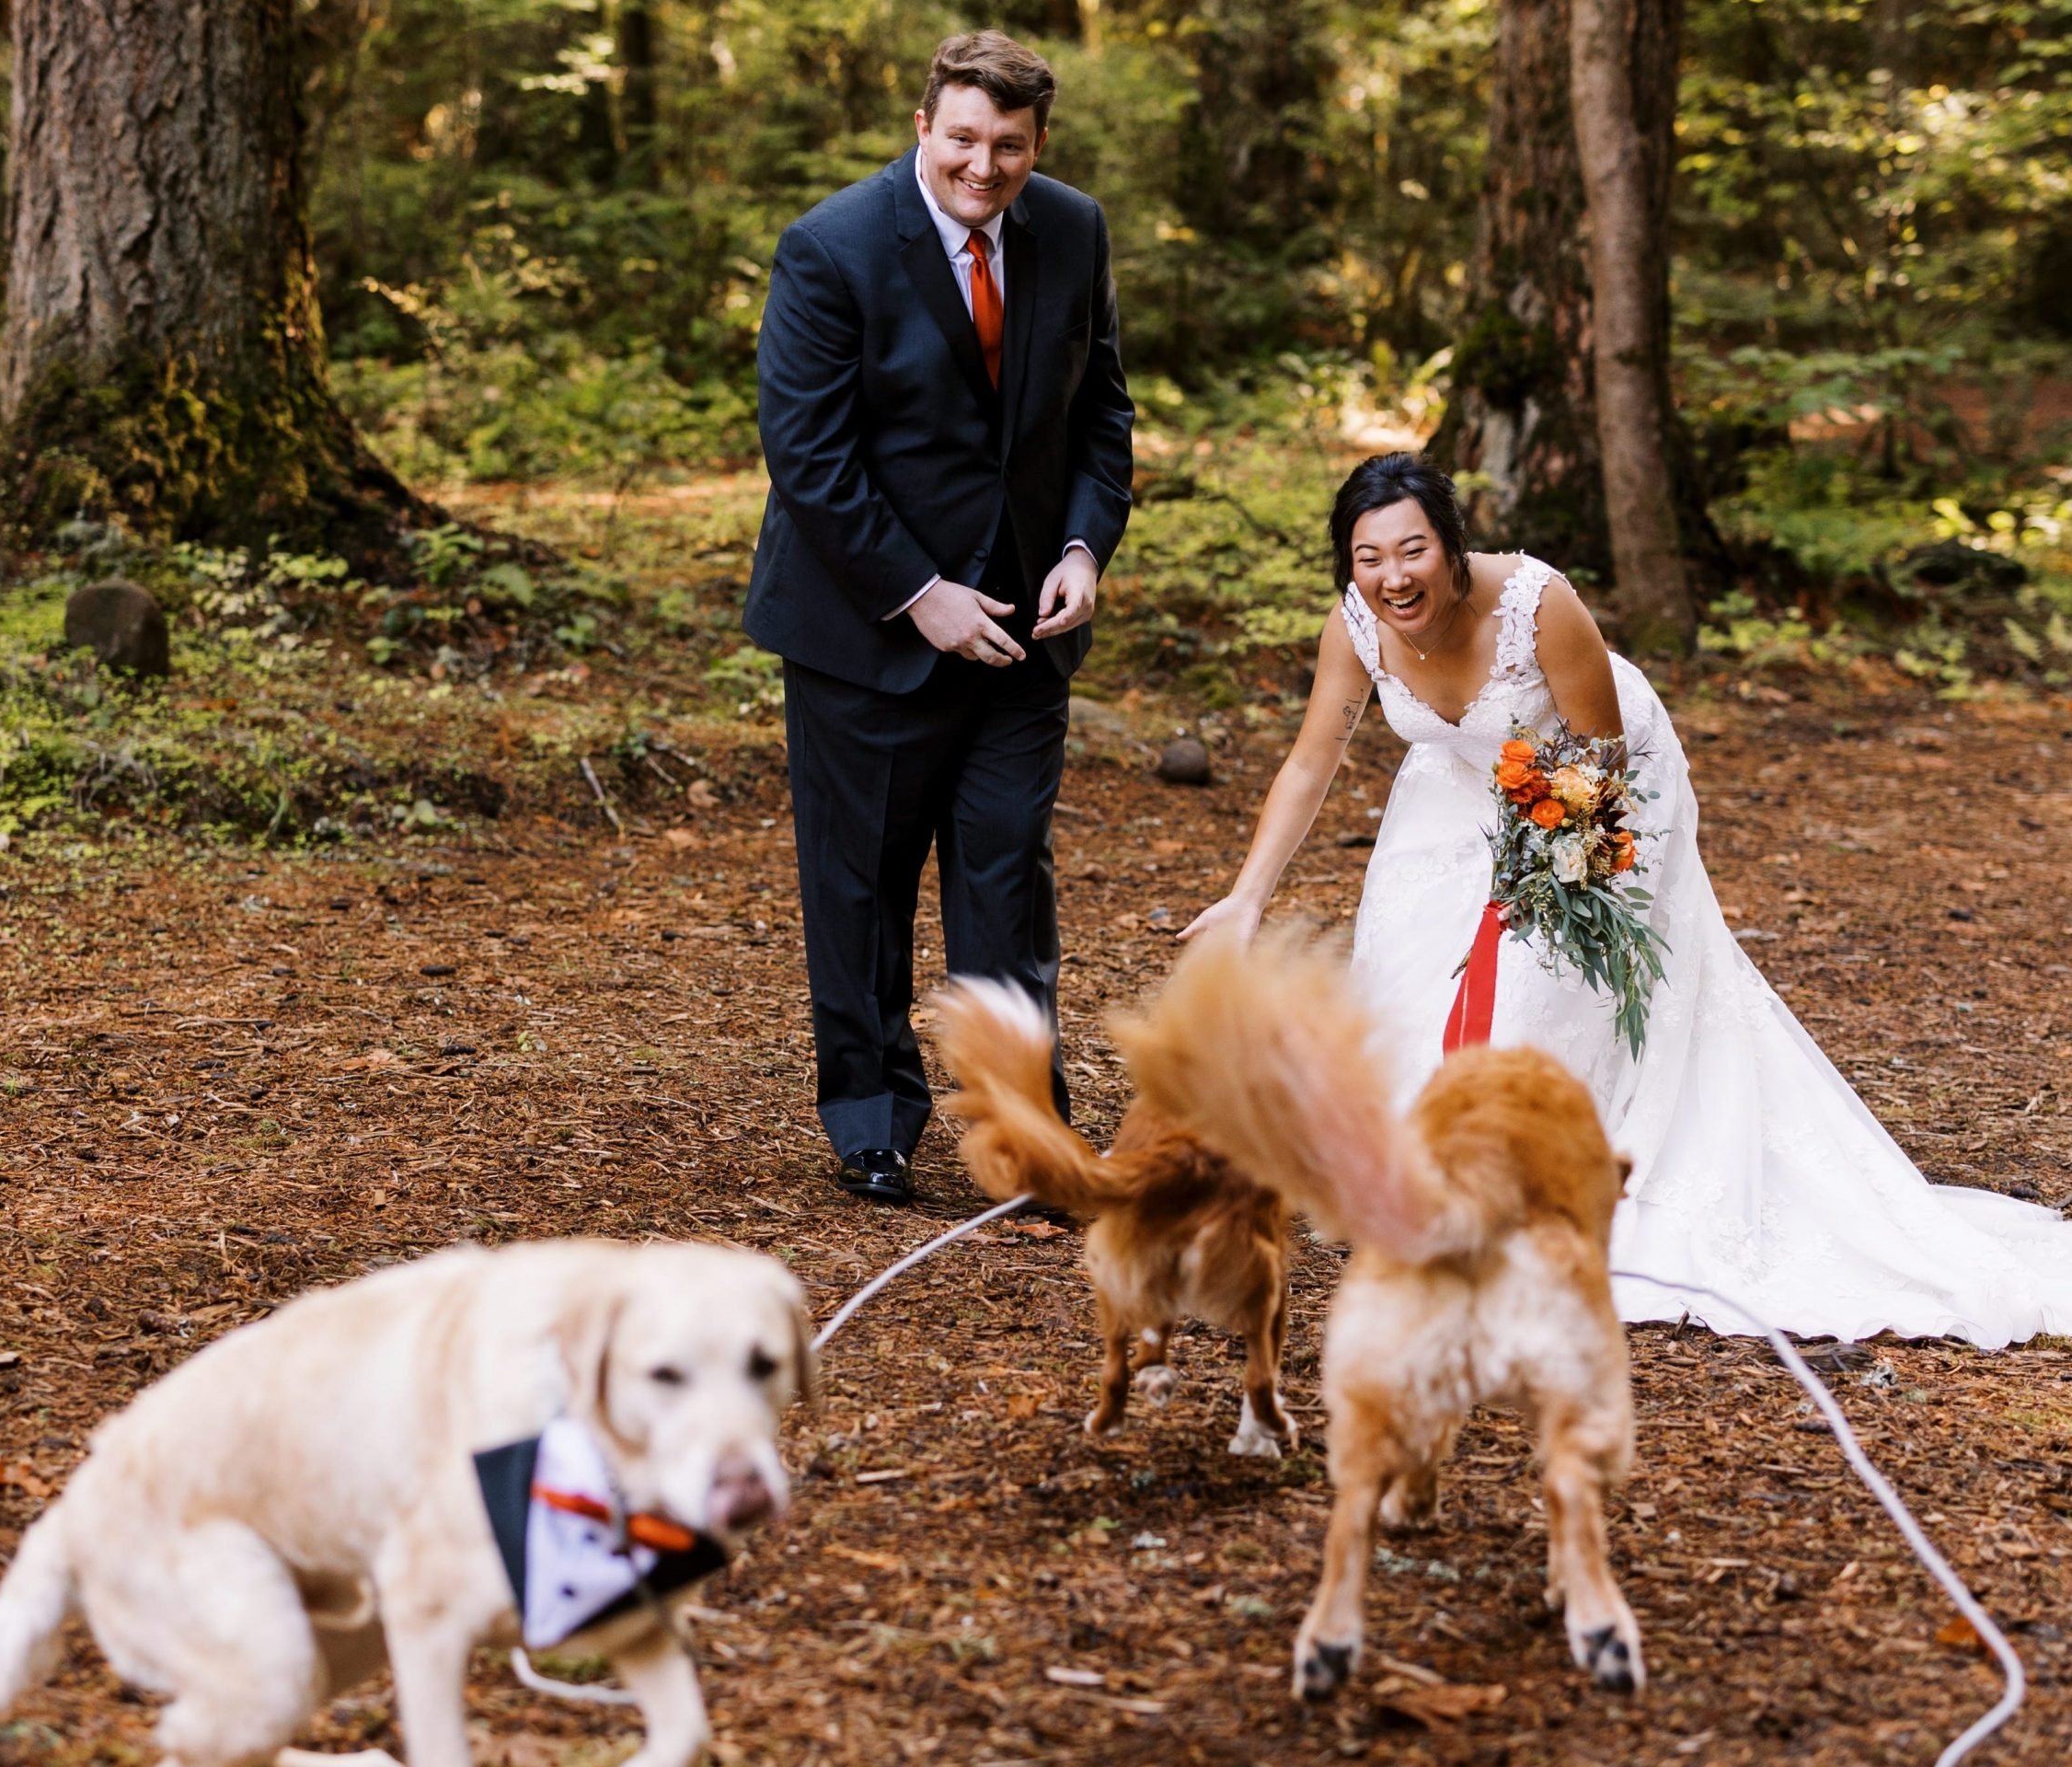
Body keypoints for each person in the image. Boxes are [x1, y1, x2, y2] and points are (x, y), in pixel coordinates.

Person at [1182, 452, 2072, 1345]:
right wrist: (1247, 897)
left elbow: (1601, 758)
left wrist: (1542, 866)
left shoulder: (1537, 603)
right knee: (1411, 979)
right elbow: (1310, 762)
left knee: (1540, 981)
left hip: (1595, 783)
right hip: (1457, 794)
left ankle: (1564, 1180)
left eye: (1410, 551)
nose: (1391, 577)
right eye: (1366, 558)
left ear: (1451, 546)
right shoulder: (1358, 626)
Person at [746, 31, 1134, 1205]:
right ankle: (873, 1119)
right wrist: (920, 596)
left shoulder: (1072, 230)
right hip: (866, 633)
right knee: (860, 884)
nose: (984, 166)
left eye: (1008, 146)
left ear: (1037, 145)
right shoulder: (831, 248)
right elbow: (809, 458)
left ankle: (1023, 1135)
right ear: (925, 127)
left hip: (1024, 630)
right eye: (963, 138)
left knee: (1006, 880)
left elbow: (1101, 413)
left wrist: (1082, 546)